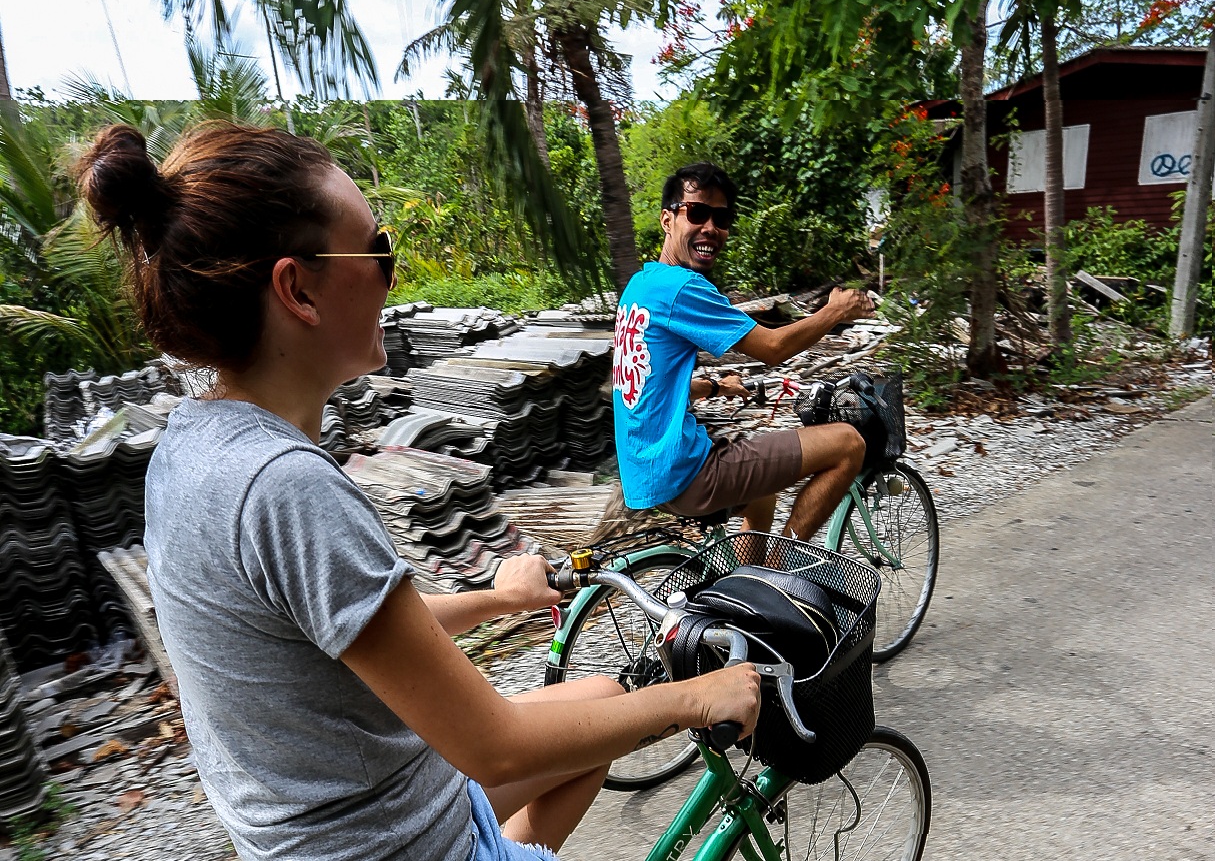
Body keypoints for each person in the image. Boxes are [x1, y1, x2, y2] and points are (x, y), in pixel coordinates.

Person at [76, 124, 761, 861]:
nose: (391, 274)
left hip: (357, 811)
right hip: (388, 842)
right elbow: (495, 746)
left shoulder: (192, 441)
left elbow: (352, 621)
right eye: (378, 251)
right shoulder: (286, 487)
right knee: (619, 714)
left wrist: (500, 598)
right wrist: (696, 696)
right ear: (296, 289)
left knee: (598, 705)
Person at [612, 162, 875, 541]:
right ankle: (784, 576)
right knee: (849, 444)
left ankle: (742, 591)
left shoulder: (641, 285)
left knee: (761, 496)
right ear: (667, 220)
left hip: (645, 472)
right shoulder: (682, 287)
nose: (710, 228)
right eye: (697, 212)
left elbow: (646, 385)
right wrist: (834, 312)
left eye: (721, 218)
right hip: (684, 471)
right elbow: (773, 348)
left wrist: (716, 387)